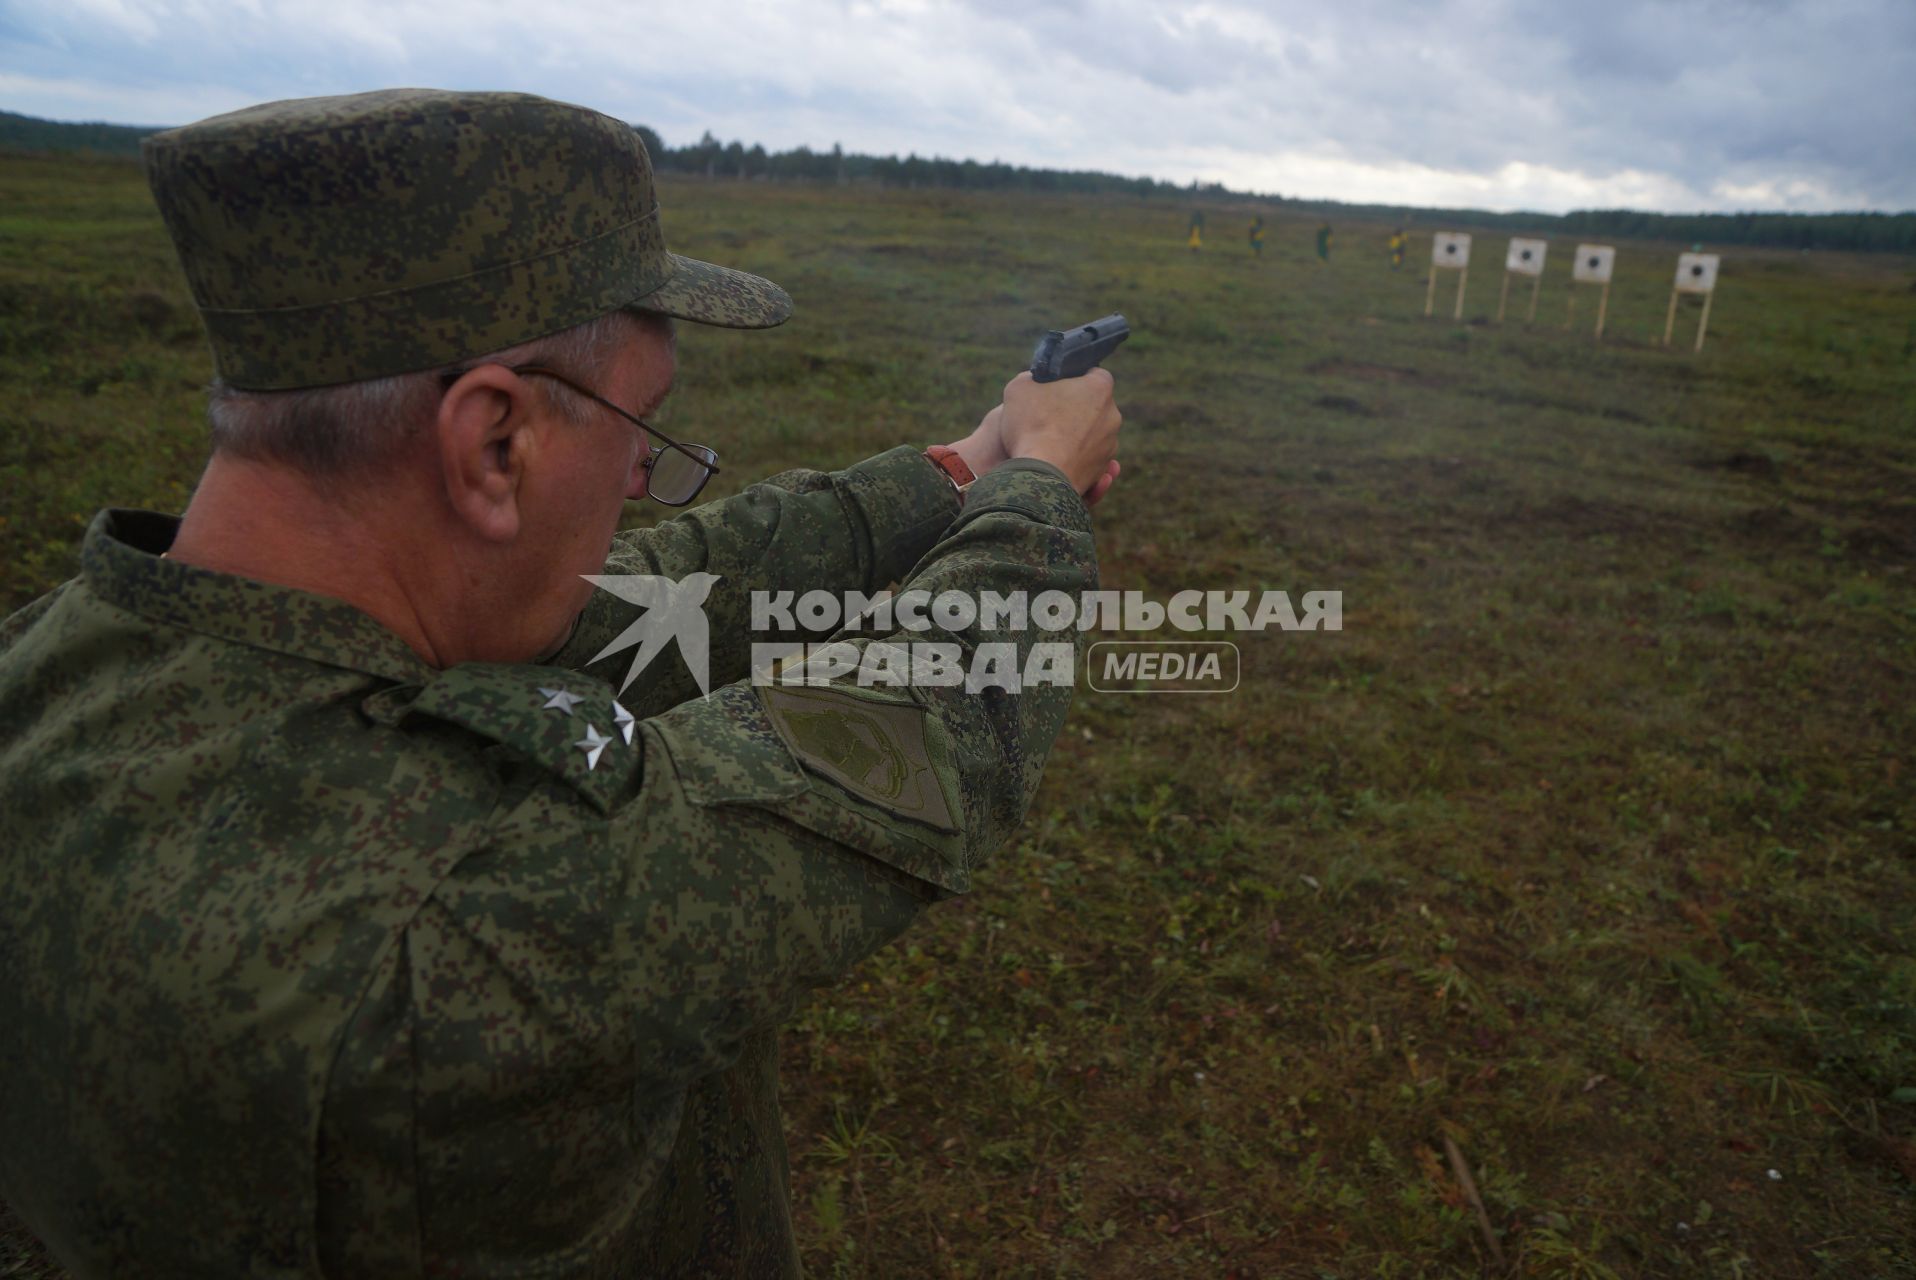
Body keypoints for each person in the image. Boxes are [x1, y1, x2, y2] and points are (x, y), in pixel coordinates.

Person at [0, 89, 1122, 1277]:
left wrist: (959, 471)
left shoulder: (52, 671)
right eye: (641, 426)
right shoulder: (468, 922)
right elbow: (910, 735)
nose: (642, 477)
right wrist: (1039, 491)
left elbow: (651, 592)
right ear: (492, 442)